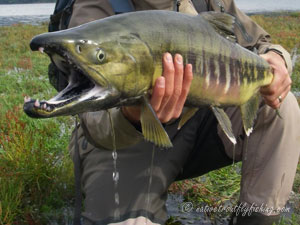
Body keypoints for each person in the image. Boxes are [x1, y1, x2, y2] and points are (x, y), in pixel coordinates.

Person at [61, 0, 300, 224]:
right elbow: (93, 119)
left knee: (283, 106)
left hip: (197, 124)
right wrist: (132, 116)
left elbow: (259, 43)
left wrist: (277, 58)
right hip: (121, 141)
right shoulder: (95, 6)